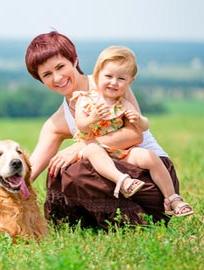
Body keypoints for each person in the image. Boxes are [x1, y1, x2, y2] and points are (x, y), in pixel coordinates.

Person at [24, 31, 187, 229]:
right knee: (58, 170)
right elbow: (28, 173)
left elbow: (135, 134)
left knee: (76, 170)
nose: (57, 78)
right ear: (40, 79)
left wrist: (82, 147)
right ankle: (96, 224)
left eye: (60, 67)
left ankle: (142, 218)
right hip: (116, 179)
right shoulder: (57, 123)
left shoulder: (111, 83)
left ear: (74, 61)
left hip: (151, 175)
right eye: (47, 74)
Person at [71, 45, 193, 216]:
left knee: (149, 156)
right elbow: (81, 125)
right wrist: (93, 118)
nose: (114, 82)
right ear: (97, 75)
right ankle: (122, 180)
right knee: (93, 150)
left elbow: (144, 127)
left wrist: (139, 120)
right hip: (95, 148)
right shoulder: (85, 99)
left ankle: (172, 198)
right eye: (108, 76)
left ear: (130, 82)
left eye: (121, 79)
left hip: (122, 150)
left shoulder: (123, 104)